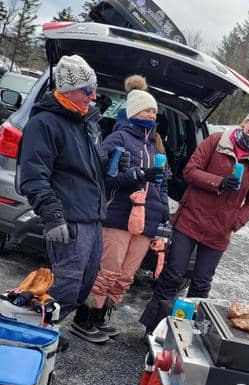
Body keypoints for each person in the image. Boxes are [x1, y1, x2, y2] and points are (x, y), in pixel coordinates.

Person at [138, 102, 249, 333]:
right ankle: (153, 329)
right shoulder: (216, 141)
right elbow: (190, 171)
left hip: (218, 231)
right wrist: (219, 182)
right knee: (172, 276)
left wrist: (234, 221)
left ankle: (185, 335)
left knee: (201, 286)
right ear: (245, 121)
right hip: (191, 219)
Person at [71, 74, 169, 343]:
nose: (152, 114)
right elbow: (102, 177)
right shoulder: (119, 138)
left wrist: (162, 212)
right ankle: (84, 317)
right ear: (135, 111)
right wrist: (138, 176)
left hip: (145, 222)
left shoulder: (155, 144)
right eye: (147, 109)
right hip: (118, 216)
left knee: (126, 275)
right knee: (107, 271)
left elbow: (163, 183)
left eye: (154, 110)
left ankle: (101, 317)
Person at [20, 54, 109, 343]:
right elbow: (34, 175)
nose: (93, 96)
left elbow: (89, 173)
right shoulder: (44, 123)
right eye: (87, 90)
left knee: (83, 285)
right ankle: (31, 332)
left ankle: (47, 327)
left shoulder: (84, 123)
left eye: (94, 88)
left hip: (93, 219)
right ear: (67, 89)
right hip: (69, 219)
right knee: (66, 286)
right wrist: (52, 215)